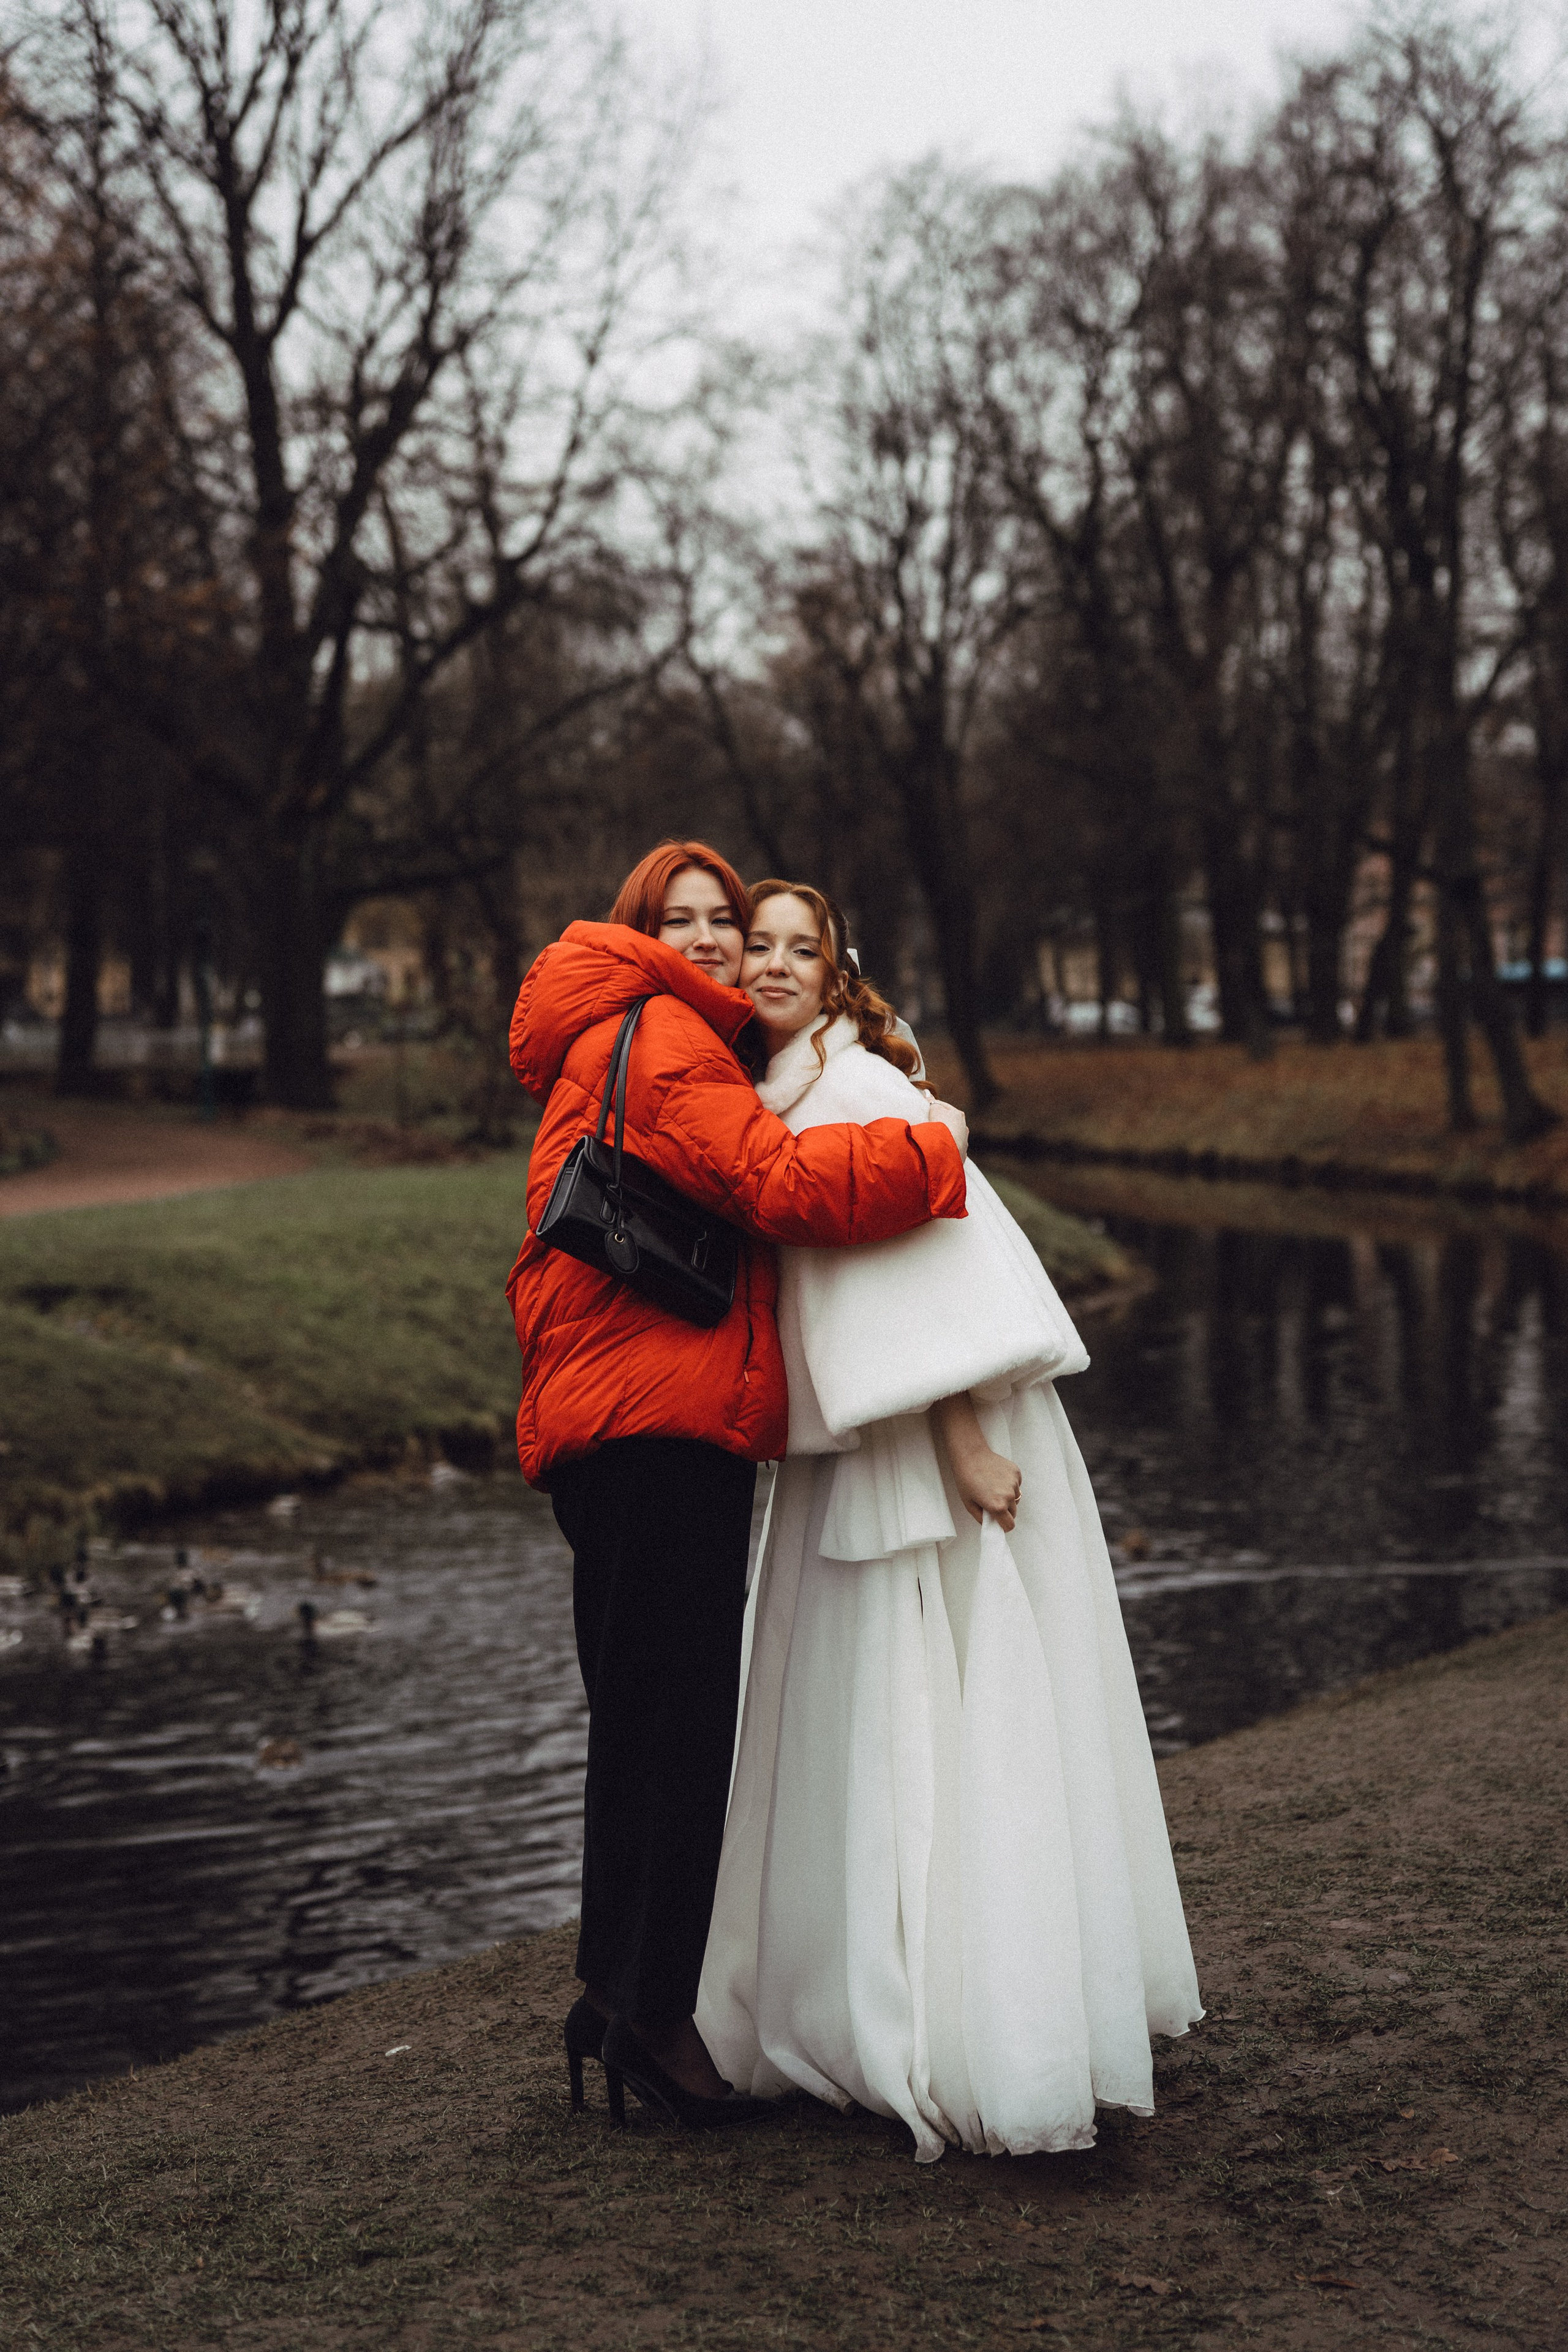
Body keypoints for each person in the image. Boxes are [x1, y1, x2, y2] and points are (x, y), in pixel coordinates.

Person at [696, 881, 1203, 2160]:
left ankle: (972, 2017)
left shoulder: (860, 1087)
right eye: (757, 946)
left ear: (834, 972)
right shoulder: (772, 1096)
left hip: (931, 1436)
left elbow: (934, 1274)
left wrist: (966, 1440)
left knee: (945, 1704)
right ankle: (863, 1998)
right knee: (855, 1721)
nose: (773, 965)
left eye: (801, 949)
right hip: (860, 1440)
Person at [505, 842, 972, 2130]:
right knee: (675, 1732)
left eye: (727, 917)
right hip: (658, 1427)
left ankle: (614, 1997)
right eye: (685, 920)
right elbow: (775, 1184)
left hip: (623, 1421)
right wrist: (932, 1151)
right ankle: (656, 2024)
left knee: (640, 1724)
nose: (713, 940)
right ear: (641, 931)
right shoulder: (664, 1037)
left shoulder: (621, 1025)